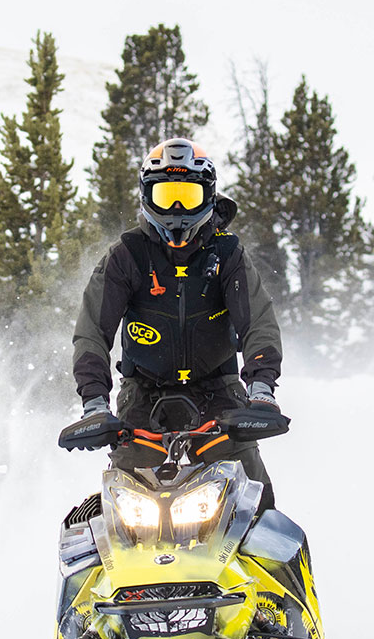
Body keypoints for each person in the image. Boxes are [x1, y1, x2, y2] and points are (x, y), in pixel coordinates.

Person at [69, 138, 284, 509]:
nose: (178, 209)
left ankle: (279, 565)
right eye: (167, 195)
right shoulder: (126, 256)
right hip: (142, 397)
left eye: (188, 195)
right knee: (120, 503)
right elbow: (92, 331)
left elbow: (258, 323)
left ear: (209, 196)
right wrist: (94, 402)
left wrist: (262, 388)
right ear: (147, 196)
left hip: (219, 395)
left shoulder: (227, 253)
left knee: (254, 500)